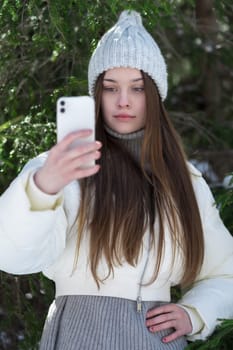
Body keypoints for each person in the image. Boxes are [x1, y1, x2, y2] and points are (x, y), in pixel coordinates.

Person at [0, 9, 233, 350]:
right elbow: (12, 255)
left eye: (137, 88)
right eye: (111, 88)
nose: (124, 101)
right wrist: (41, 188)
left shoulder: (185, 180)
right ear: (97, 94)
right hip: (78, 334)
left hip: (156, 340)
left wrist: (196, 312)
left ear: (154, 95)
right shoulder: (58, 168)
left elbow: (226, 272)